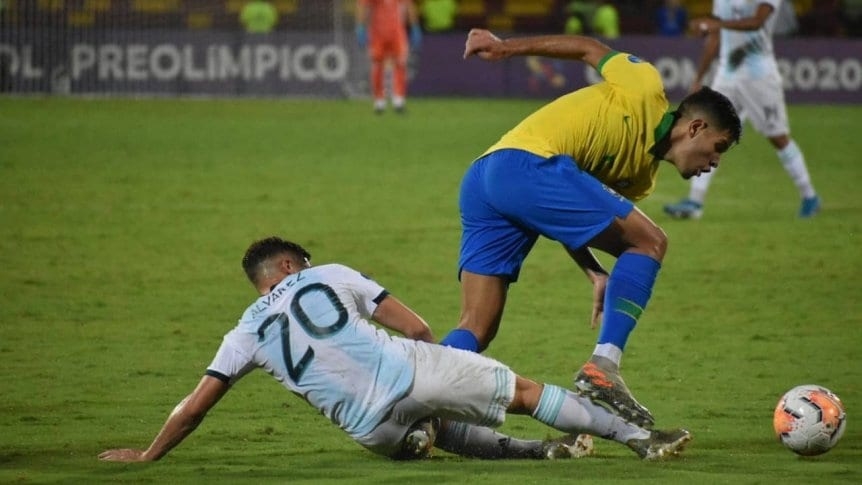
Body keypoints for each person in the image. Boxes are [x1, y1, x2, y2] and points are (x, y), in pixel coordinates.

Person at [99, 237, 692, 463]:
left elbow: (195, 407)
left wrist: (149, 455)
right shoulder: (327, 272)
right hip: (407, 373)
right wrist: (446, 370)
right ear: (289, 265)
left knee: (437, 428)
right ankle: (639, 439)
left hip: (369, 431)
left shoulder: (242, 333)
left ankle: (534, 454)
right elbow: (416, 327)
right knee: (523, 392)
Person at [438, 29, 742, 429]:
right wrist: (505, 47)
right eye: (719, 147)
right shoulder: (644, 86)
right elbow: (587, 48)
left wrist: (594, 271)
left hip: (487, 178)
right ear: (696, 127)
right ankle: (604, 365)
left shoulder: (640, 179)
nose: (715, 162)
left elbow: (569, 211)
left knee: (476, 327)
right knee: (650, 242)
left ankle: (408, 393)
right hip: (528, 163)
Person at [663, 0, 820, 220]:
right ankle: (695, 201)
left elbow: (757, 22)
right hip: (727, 75)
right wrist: (699, 77)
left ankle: (809, 195)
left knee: (778, 138)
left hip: (759, 77)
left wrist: (717, 25)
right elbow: (715, 36)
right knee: (708, 133)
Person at [355, 0, 423, 114]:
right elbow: (362, 6)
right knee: (377, 65)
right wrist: (360, 26)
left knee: (400, 64)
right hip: (377, 33)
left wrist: (415, 26)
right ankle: (379, 101)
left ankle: (399, 101)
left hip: (397, 33)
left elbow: (409, 6)